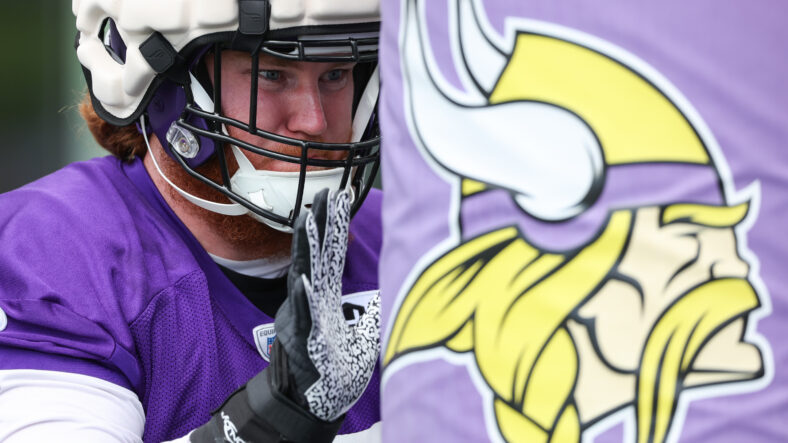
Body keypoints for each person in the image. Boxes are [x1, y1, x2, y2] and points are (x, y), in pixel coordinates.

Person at [379, 0, 786, 442]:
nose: (739, 269)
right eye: (691, 236)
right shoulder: (437, 391)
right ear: (559, 262)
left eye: (727, 237)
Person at [0, 0, 383, 441]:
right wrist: (265, 426)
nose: (314, 121)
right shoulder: (56, 254)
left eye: (336, 75)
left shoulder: (408, 244)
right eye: (272, 75)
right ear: (164, 90)